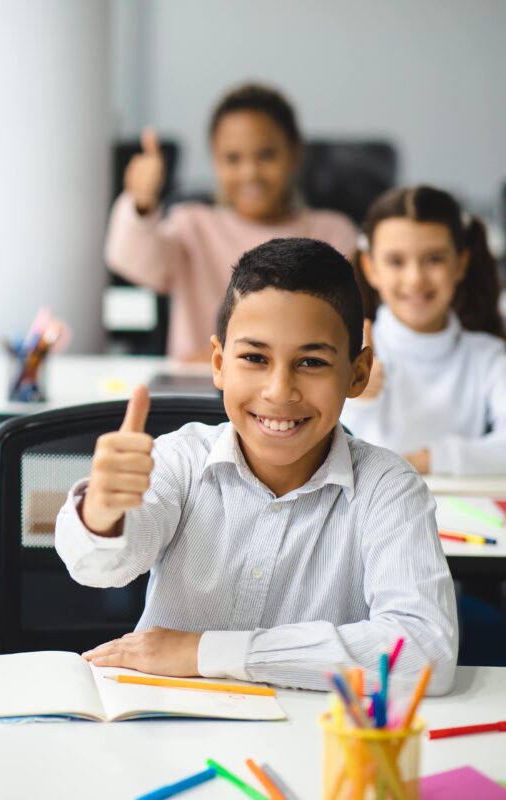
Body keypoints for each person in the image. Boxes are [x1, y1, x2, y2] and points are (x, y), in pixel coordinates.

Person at [56, 238, 457, 693]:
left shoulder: (388, 488)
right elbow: (97, 569)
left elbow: (425, 651)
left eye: (311, 361)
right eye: (254, 358)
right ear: (218, 363)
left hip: (311, 745)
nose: (279, 390)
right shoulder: (180, 459)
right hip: (167, 726)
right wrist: (103, 515)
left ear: (357, 373)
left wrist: (204, 653)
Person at [107, 83, 357, 361]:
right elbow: (132, 261)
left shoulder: (333, 232)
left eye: (266, 155)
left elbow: (344, 327)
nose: (250, 172)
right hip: (200, 387)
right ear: (215, 161)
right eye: (232, 158)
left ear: (295, 155)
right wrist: (142, 204)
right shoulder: (192, 224)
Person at [342, 185, 506, 475]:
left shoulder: (489, 357)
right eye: (396, 261)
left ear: (461, 263)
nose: (415, 278)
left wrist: (426, 461)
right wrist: (356, 398)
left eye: (434, 259)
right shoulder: (346, 351)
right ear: (370, 268)